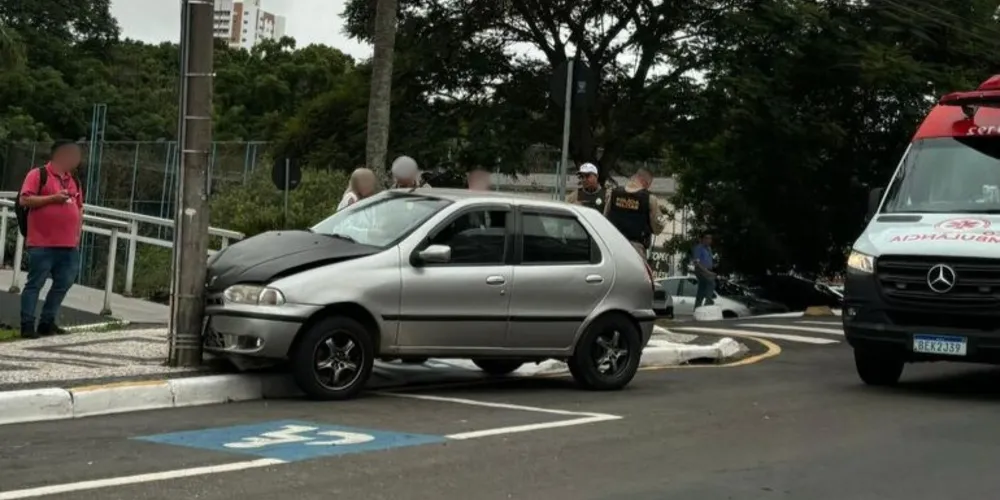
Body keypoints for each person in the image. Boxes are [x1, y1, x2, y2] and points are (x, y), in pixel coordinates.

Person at [17, 141, 84, 338]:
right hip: (42, 242)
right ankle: (27, 324)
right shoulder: (39, 174)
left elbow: (80, 208)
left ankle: (47, 321)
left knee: (64, 282)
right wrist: (53, 198)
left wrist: (77, 235)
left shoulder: (73, 180)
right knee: (35, 283)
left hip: (69, 245)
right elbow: (25, 199)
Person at [604, 167, 663, 258]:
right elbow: (657, 228)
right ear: (645, 183)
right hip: (635, 249)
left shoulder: (613, 194)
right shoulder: (650, 199)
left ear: (634, 177)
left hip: (612, 247)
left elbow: (605, 218)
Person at [692, 232, 716, 308]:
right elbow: (697, 263)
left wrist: (713, 266)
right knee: (711, 283)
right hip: (701, 270)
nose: (709, 240)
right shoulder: (698, 248)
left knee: (701, 289)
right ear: (702, 239)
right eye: (707, 238)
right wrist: (708, 272)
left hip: (708, 270)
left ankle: (697, 307)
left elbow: (708, 260)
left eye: (710, 238)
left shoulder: (709, 249)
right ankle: (708, 302)